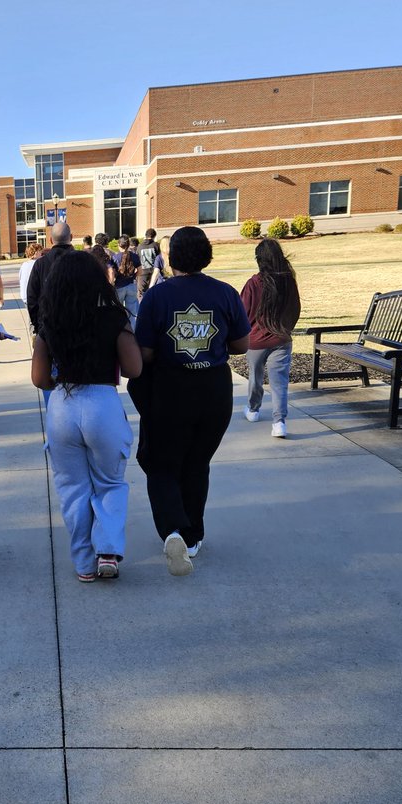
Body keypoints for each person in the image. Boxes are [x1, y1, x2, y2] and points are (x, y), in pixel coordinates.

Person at [131, 226, 250, 576]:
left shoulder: (157, 297)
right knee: (198, 462)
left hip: (171, 388)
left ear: (172, 258)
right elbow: (242, 345)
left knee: (162, 463)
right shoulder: (225, 293)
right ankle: (194, 534)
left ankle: (172, 529)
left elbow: (146, 353)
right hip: (214, 389)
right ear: (207, 254)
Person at [32, 251, 142, 581]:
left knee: (73, 489)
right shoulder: (114, 317)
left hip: (63, 408)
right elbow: (134, 368)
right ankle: (107, 551)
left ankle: (83, 563)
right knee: (109, 482)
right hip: (103, 403)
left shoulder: (49, 322)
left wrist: (57, 380)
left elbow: (39, 379)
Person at [240, 238, 302, 439]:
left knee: (255, 376)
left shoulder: (253, 284)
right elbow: (295, 309)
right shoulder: (288, 282)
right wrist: (286, 329)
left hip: (256, 340)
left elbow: (244, 312)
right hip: (281, 339)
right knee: (279, 382)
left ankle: (253, 409)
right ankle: (279, 422)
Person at [26, 222, 74, 330]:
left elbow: (32, 297)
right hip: (79, 328)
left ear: (51, 240)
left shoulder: (40, 264)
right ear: (71, 237)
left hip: (49, 327)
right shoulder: (85, 262)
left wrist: (38, 325)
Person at [114, 235, 140, 326]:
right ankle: (132, 331)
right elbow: (140, 271)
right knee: (132, 312)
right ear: (128, 245)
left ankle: (120, 330)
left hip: (119, 287)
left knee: (118, 311)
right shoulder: (135, 256)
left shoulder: (115, 257)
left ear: (118, 245)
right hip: (131, 285)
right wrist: (134, 277)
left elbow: (112, 273)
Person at [137, 227, 161, 301]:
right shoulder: (156, 245)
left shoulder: (140, 246)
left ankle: (142, 308)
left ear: (145, 235)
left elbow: (138, 258)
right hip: (154, 271)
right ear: (154, 236)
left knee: (140, 293)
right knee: (154, 290)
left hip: (143, 272)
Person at [18, 241, 42, 307]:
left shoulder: (24, 265)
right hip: (35, 297)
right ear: (36, 252)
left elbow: (20, 278)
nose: (41, 254)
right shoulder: (38, 264)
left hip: (25, 296)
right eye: (40, 252)